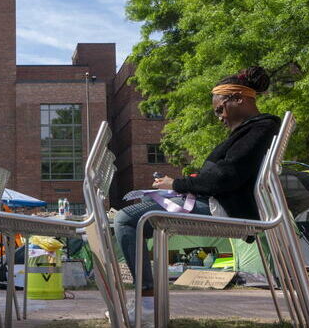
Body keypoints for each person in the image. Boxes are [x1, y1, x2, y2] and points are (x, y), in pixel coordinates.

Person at [112, 66, 281, 323]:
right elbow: (227, 175)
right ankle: (147, 297)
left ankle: (147, 302)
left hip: (225, 209)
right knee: (140, 212)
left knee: (125, 218)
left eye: (219, 109)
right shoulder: (255, 131)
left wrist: (177, 184)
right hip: (220, 203)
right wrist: (185, 184)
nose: (219, 117)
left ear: (238, 99)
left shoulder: (258, 130)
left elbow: (225, 178)